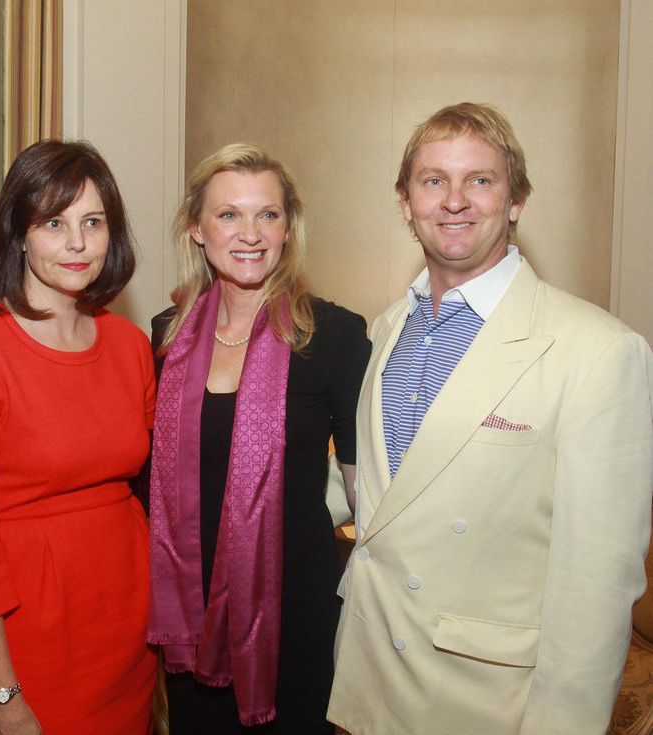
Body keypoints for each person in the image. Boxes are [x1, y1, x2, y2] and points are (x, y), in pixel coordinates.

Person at [328, 102, 653, 734]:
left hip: (485, 703)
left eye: (479, 179)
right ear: (405, 203)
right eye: (433, 180)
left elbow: (598, 584)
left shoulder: (598, 351)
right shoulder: (386, 329)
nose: (454, 200)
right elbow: (383, 495)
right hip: (368, 683)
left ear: (516, 200)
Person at [0, 140, 157, 735]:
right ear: (20, 234)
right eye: (54, 222)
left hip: (126, 631)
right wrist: (2, 696)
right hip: (23, 643)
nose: (78, 242)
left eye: (93, 222)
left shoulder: (131, 345)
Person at [147, 143, 371, 732]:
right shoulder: (166, 338)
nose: (250, 234)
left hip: (292, 614)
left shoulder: (335, 336)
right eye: (229, 215)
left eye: (267, 214)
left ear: (288, 228)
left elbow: (366, 495)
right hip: (189, 613)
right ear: (197, 228)